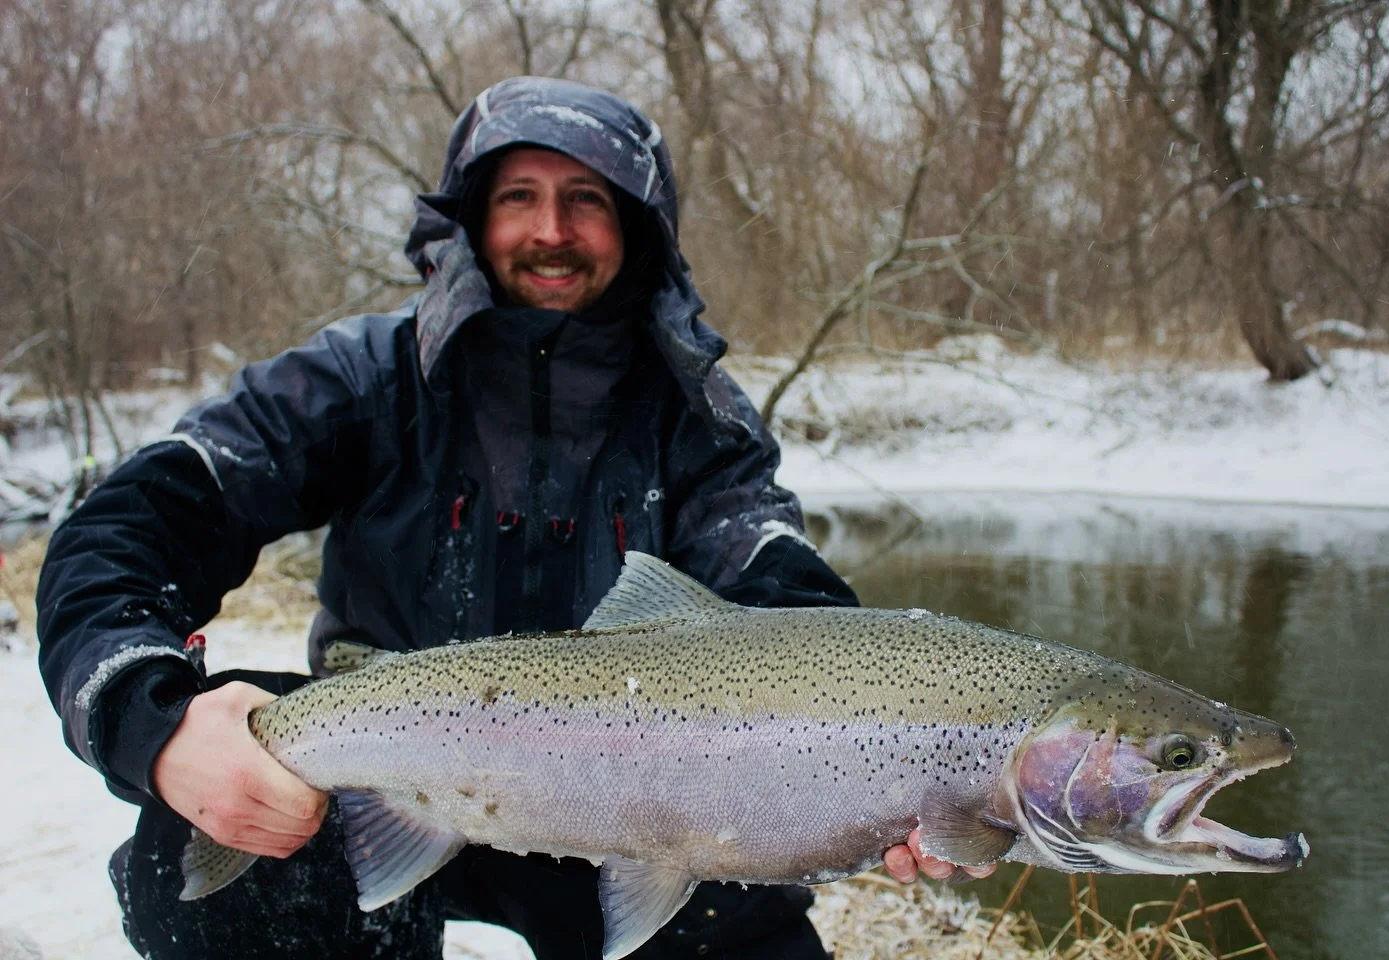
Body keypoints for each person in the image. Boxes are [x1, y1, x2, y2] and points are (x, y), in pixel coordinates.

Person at [36, 77, 989, 959]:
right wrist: (147, 719)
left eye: (587, 199)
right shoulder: (363, 380)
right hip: (385, 773)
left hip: (637, 797)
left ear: (636, 229)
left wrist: (881, 772)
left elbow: (777, 584)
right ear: (470, 220)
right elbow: (124, 533)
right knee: (218, 860)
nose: (551, 230)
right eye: (518, 196)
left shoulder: (694, 416)